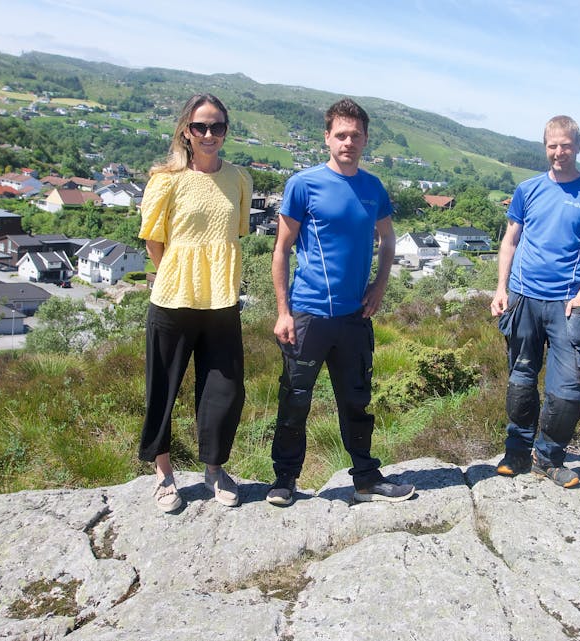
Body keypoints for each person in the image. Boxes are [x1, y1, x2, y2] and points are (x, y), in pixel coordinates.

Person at [265, 98, 414, 506]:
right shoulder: (304, 184)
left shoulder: (373, 188)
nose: (349, 142)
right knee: (295, 400)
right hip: (308, 314)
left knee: (356, 401)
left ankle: (366, 478)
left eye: (356, 135)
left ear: (366, 140)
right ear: (327, 137)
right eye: (341, 135)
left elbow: (388, 240)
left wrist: (380, 286)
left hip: (353, 317)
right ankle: (284, 480)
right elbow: (281, 250)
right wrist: (283, 311)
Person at [138, 93, 252, 511]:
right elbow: (155, 239)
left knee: (225, 389)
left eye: (217, 126)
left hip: (221, 298)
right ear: (186, 130)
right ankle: (164, 473)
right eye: (200, 126)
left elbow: (231, 236)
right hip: (172, 300)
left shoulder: (239, 179)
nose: (208, 134)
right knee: (162, 389)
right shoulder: (165, 179)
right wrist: (177, 276)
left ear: (225, 131)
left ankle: (214, 469)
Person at [490, 115, 580, 488]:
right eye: (552, 145)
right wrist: (501, 289)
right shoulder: (528, 189)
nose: (558, 152)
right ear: (545, 147)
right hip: (524, 297)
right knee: (521, 379)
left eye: (565, 145)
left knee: (570, 389)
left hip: (567, 306)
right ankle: (516, 451)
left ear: (577, 146)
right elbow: (510, 241)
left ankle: (550, 457)